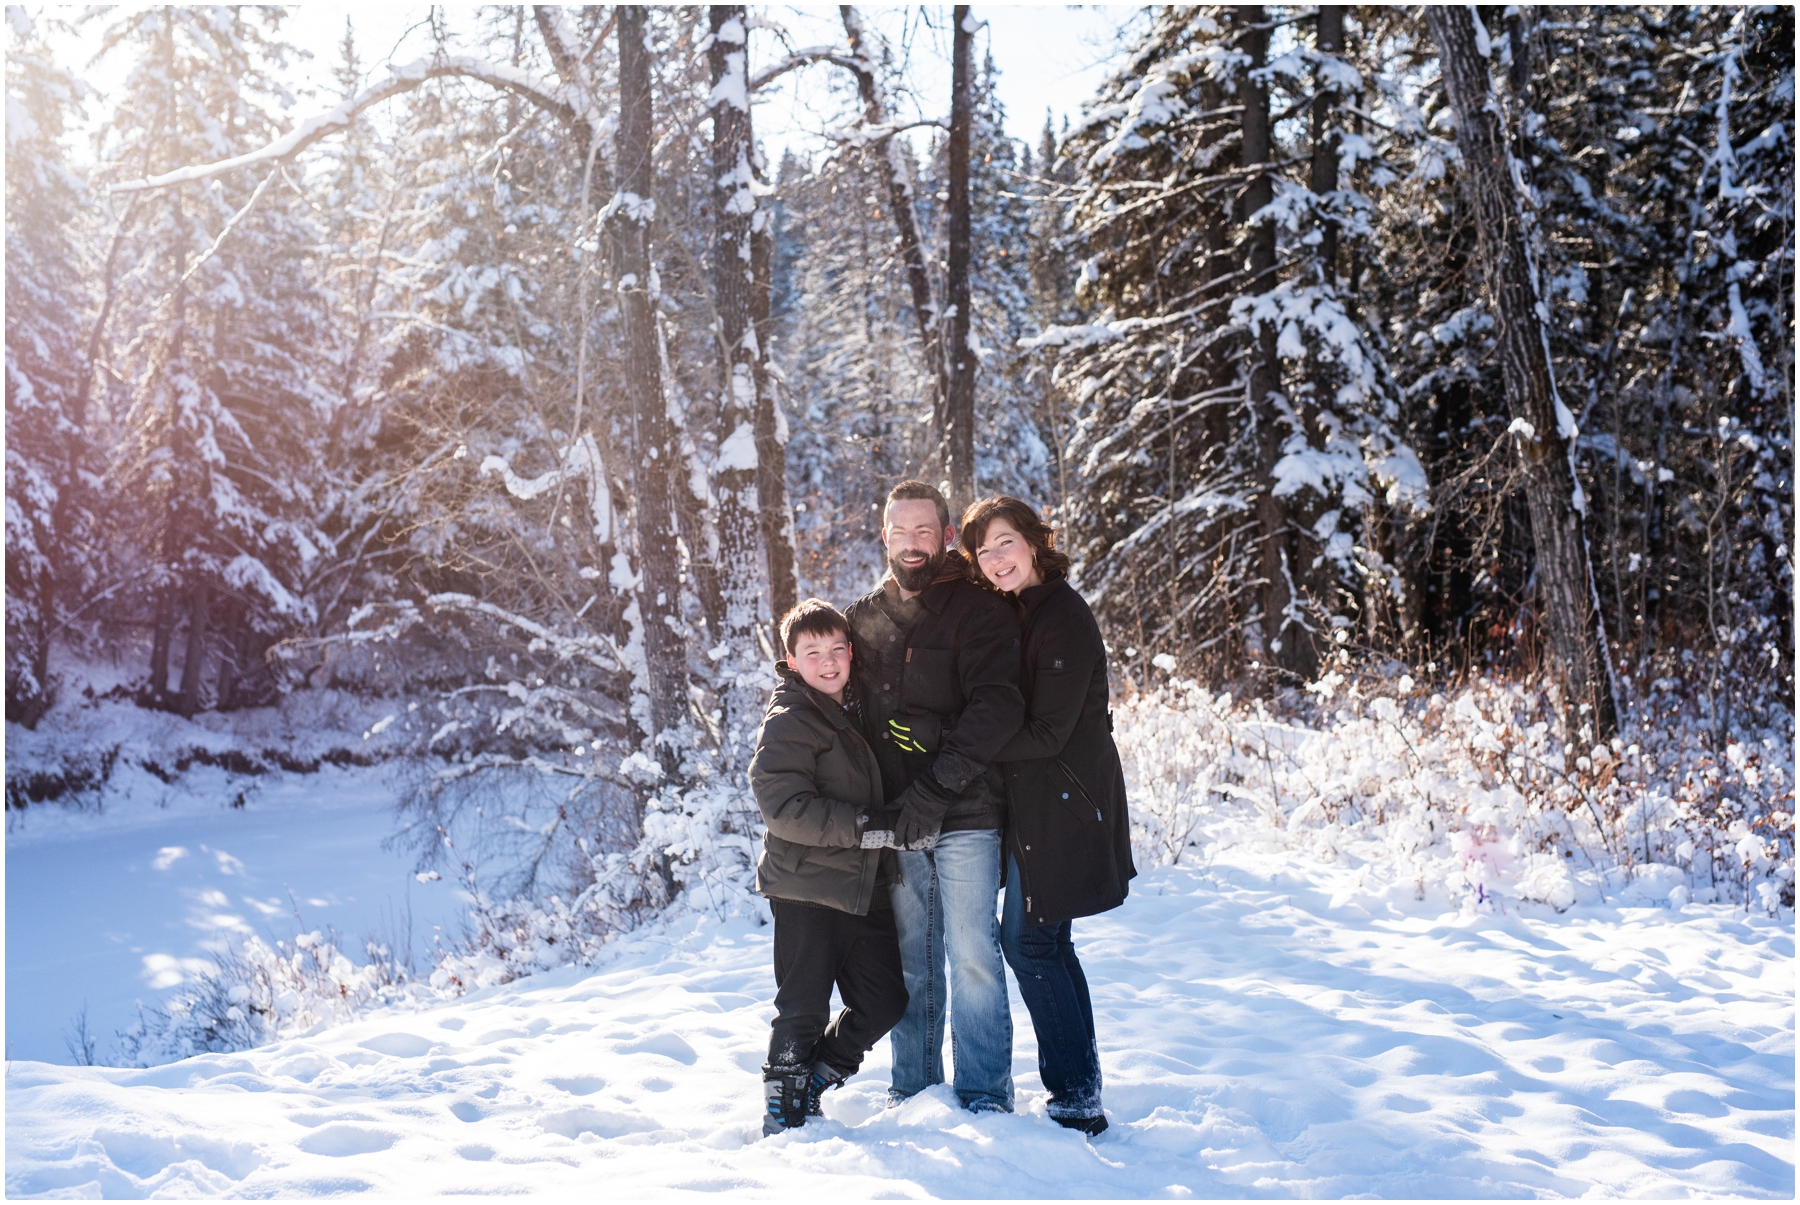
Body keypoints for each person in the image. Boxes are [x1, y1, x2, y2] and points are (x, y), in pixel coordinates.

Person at [845, 480, 1025, 1113]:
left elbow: (998, 707)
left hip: (967, 812)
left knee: (974, 957)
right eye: (902, 530)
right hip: (898, 820)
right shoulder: (864, 614)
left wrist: (936, 787)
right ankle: (913, 1092)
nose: (913, 543)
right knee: (913, 961)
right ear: (884, 534)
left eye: (926, 531)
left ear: (948, 537)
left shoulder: (978, 610)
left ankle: (984, 1098)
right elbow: (837, 703)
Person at [961, 495, 1136, 1137]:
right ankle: (1079, 1090)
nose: (996, 558)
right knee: (1048, 943)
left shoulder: (1061, 615)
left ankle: (1075, 1095)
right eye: (984, 550)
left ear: (1034, 542)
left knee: (1029, 942)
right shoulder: (1019, 611)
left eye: (1005, 542)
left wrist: (965, 744)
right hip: (1042, 802)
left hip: (1064, 799)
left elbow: (1049, 732)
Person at [749, 599, 908, 1136]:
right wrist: (867, 828)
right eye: (813, 652)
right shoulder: (792, 719)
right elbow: (783, 808)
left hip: (862, 889)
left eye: (837, 648)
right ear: (791, 661)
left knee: (885, 1000)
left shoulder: (856, 710)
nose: (829, 661)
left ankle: (816, 1078)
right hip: (807, 890)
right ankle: (782, 1111)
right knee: (802, 1008)